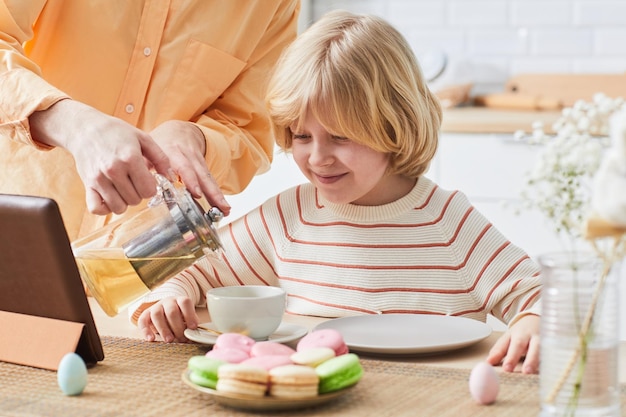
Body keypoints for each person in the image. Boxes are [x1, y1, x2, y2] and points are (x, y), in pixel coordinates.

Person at [132, 10, 542, 374]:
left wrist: (533, 322)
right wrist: (169, 298)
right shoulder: (290, 217)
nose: (317, 157)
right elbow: (187, 267)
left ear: (394, 125)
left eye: (341, 136)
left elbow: (539, 296)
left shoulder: (447, 221)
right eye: (301, 135)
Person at [0, 1, 300, 240]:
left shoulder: (272, 6)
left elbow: (248, 131)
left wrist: (197, 137)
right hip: (18, 240)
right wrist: (74, 126)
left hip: (148, 273)